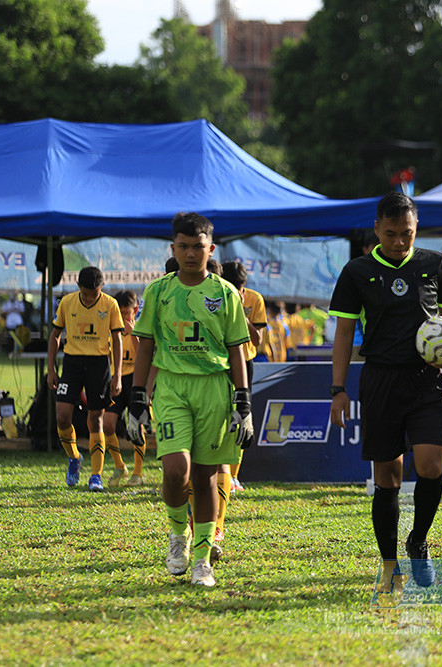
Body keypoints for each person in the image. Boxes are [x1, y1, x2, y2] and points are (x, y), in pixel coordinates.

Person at [328, 191, 442, 601]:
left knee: (430, 465)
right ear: (376, 230)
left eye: (406, 234)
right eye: (391, 235)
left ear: (416, 229)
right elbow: (344, 334)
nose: (400, 242)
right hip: (380, 379)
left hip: (426, 380)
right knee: (387, 477)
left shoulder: (435, 264)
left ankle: (418, 539)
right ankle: (390, 564)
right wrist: (338, 390)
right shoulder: (357, 271)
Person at [129, 212, 252, 588]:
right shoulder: (159, 291)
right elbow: (145, 345)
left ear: (209, 248)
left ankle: (202, 561)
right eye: (183, 246)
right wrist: (136, 399)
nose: (190, 254)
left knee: (205, 476)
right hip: (172, 389)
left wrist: (243, 403)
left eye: (198, 247)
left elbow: (236, 351)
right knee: (175, 471)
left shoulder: (225, 294)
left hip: (214, 388)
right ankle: (176, 535)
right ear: (173, 248)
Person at [47, 267, 124, 492]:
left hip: (99, 364)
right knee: (62, 417)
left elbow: (117, 340)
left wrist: (117, 374)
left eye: (95, 294)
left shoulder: (110, 304)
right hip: (72, 363)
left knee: (96, 420)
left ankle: (96, 475)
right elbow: (55, 335)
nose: (90, 298)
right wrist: (52, 369)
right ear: (78, 287)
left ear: (101, 288)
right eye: (86, 293)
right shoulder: (67, 303)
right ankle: (74, 457)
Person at [213, 260, 267, 559]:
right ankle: (224, 474)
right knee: (220, 420)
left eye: (241, 289)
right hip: (219, 362)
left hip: (245, 361)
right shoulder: (215, 294)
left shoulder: (254, 300)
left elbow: (258, 339)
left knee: (241, 416)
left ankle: (233, 475)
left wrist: (239, 310)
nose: (239, 292)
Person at [101, 290, 138, 488]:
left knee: (135, 427)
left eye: (127, 313)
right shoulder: (110, 332)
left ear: (135, 310)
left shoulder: (139, 330)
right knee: (107, 424)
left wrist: (134, 334)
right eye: (120, 313)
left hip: (134, 380)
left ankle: (138, 472)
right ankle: (119, 465)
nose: (123, 318)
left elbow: (145, 356)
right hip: (115, 380)